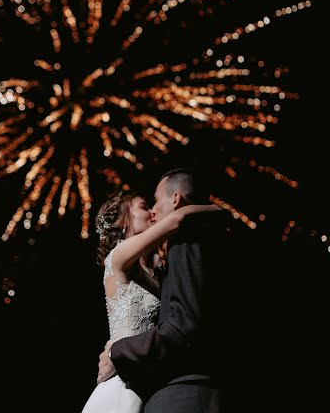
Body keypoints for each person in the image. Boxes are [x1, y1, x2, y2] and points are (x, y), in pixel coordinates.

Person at [97, 168, 230, 412]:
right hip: (124, 381)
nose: (152, 212)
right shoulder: (119, 257)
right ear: (122, 221)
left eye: (153, 204)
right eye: (143, 207)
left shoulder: (159, 270)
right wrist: (210, 208)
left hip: (150, 382)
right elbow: (177, 219)